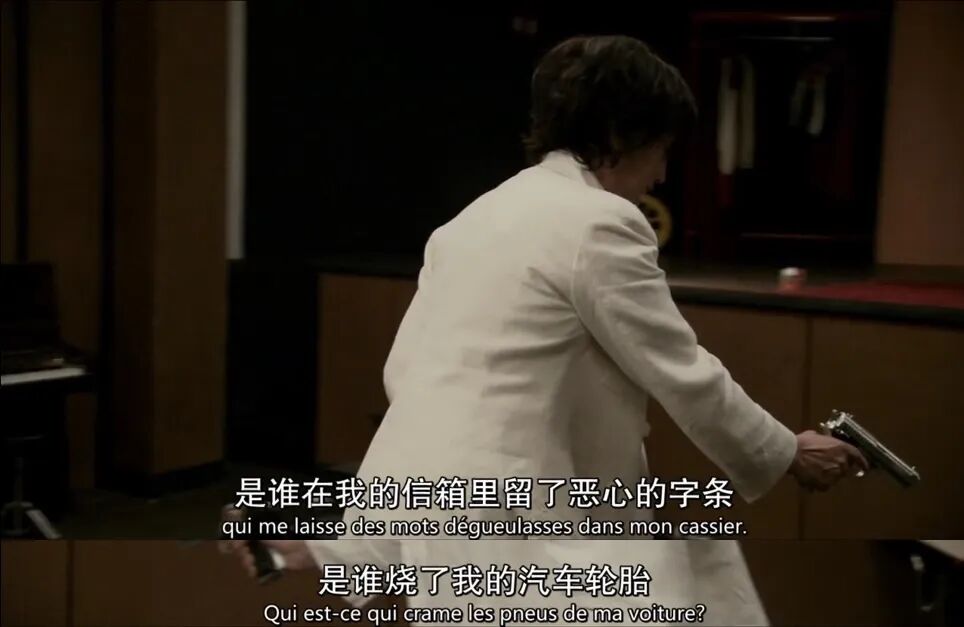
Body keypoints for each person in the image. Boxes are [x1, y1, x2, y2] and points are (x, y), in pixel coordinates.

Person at [225, 35, 868, 624]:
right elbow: (681, 369)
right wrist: (784, 451)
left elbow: (412, 378)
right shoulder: (599, 222)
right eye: (663, 149)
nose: (662, 175)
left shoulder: (471, 219)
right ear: (622, 134)